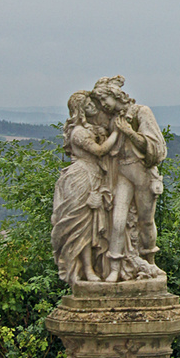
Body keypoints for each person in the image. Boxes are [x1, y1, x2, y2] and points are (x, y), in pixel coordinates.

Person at [90, 76, 167, 283]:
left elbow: (156, 148)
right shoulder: (110, 118)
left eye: (104, 99)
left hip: (142, 174)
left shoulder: (141, 112)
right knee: (117, 219)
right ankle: (115, 267)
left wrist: (129, 133)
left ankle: (149, 262)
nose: (103, 104)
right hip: (123, 173)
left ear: (115, 95)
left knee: (146, 221)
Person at [51, 92, 119, 285]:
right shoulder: (79, 132)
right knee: (79, 226)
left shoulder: (91, 128)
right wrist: (117, 132)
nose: (92, 107)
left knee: (89, 228)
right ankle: (85, 270)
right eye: (88, 104)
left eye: (92, 103)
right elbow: (99, 151)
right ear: (80, 110)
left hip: (94, 178)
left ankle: (90, 269)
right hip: (80, 179)